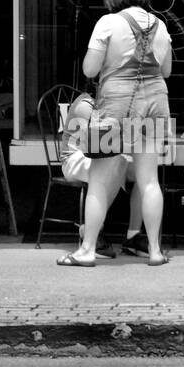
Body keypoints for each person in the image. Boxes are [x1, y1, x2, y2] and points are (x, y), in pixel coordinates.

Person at [58, 0, 173, 268]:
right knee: (149, 180)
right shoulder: (160, 25)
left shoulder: (108, 23)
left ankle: (87, 249)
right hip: (156, 102)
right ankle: (155, 250)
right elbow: (167, 71)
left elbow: (89, 70)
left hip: (116, 107)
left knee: (98, 180)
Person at [60, 94, 145, 258]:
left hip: (103, 156)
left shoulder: (116, 104)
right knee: (115, 161)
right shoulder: (85, 105)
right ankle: (94, 232)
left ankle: (133, 236)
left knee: (143, 170)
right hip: (75, 158)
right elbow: (97, 145)